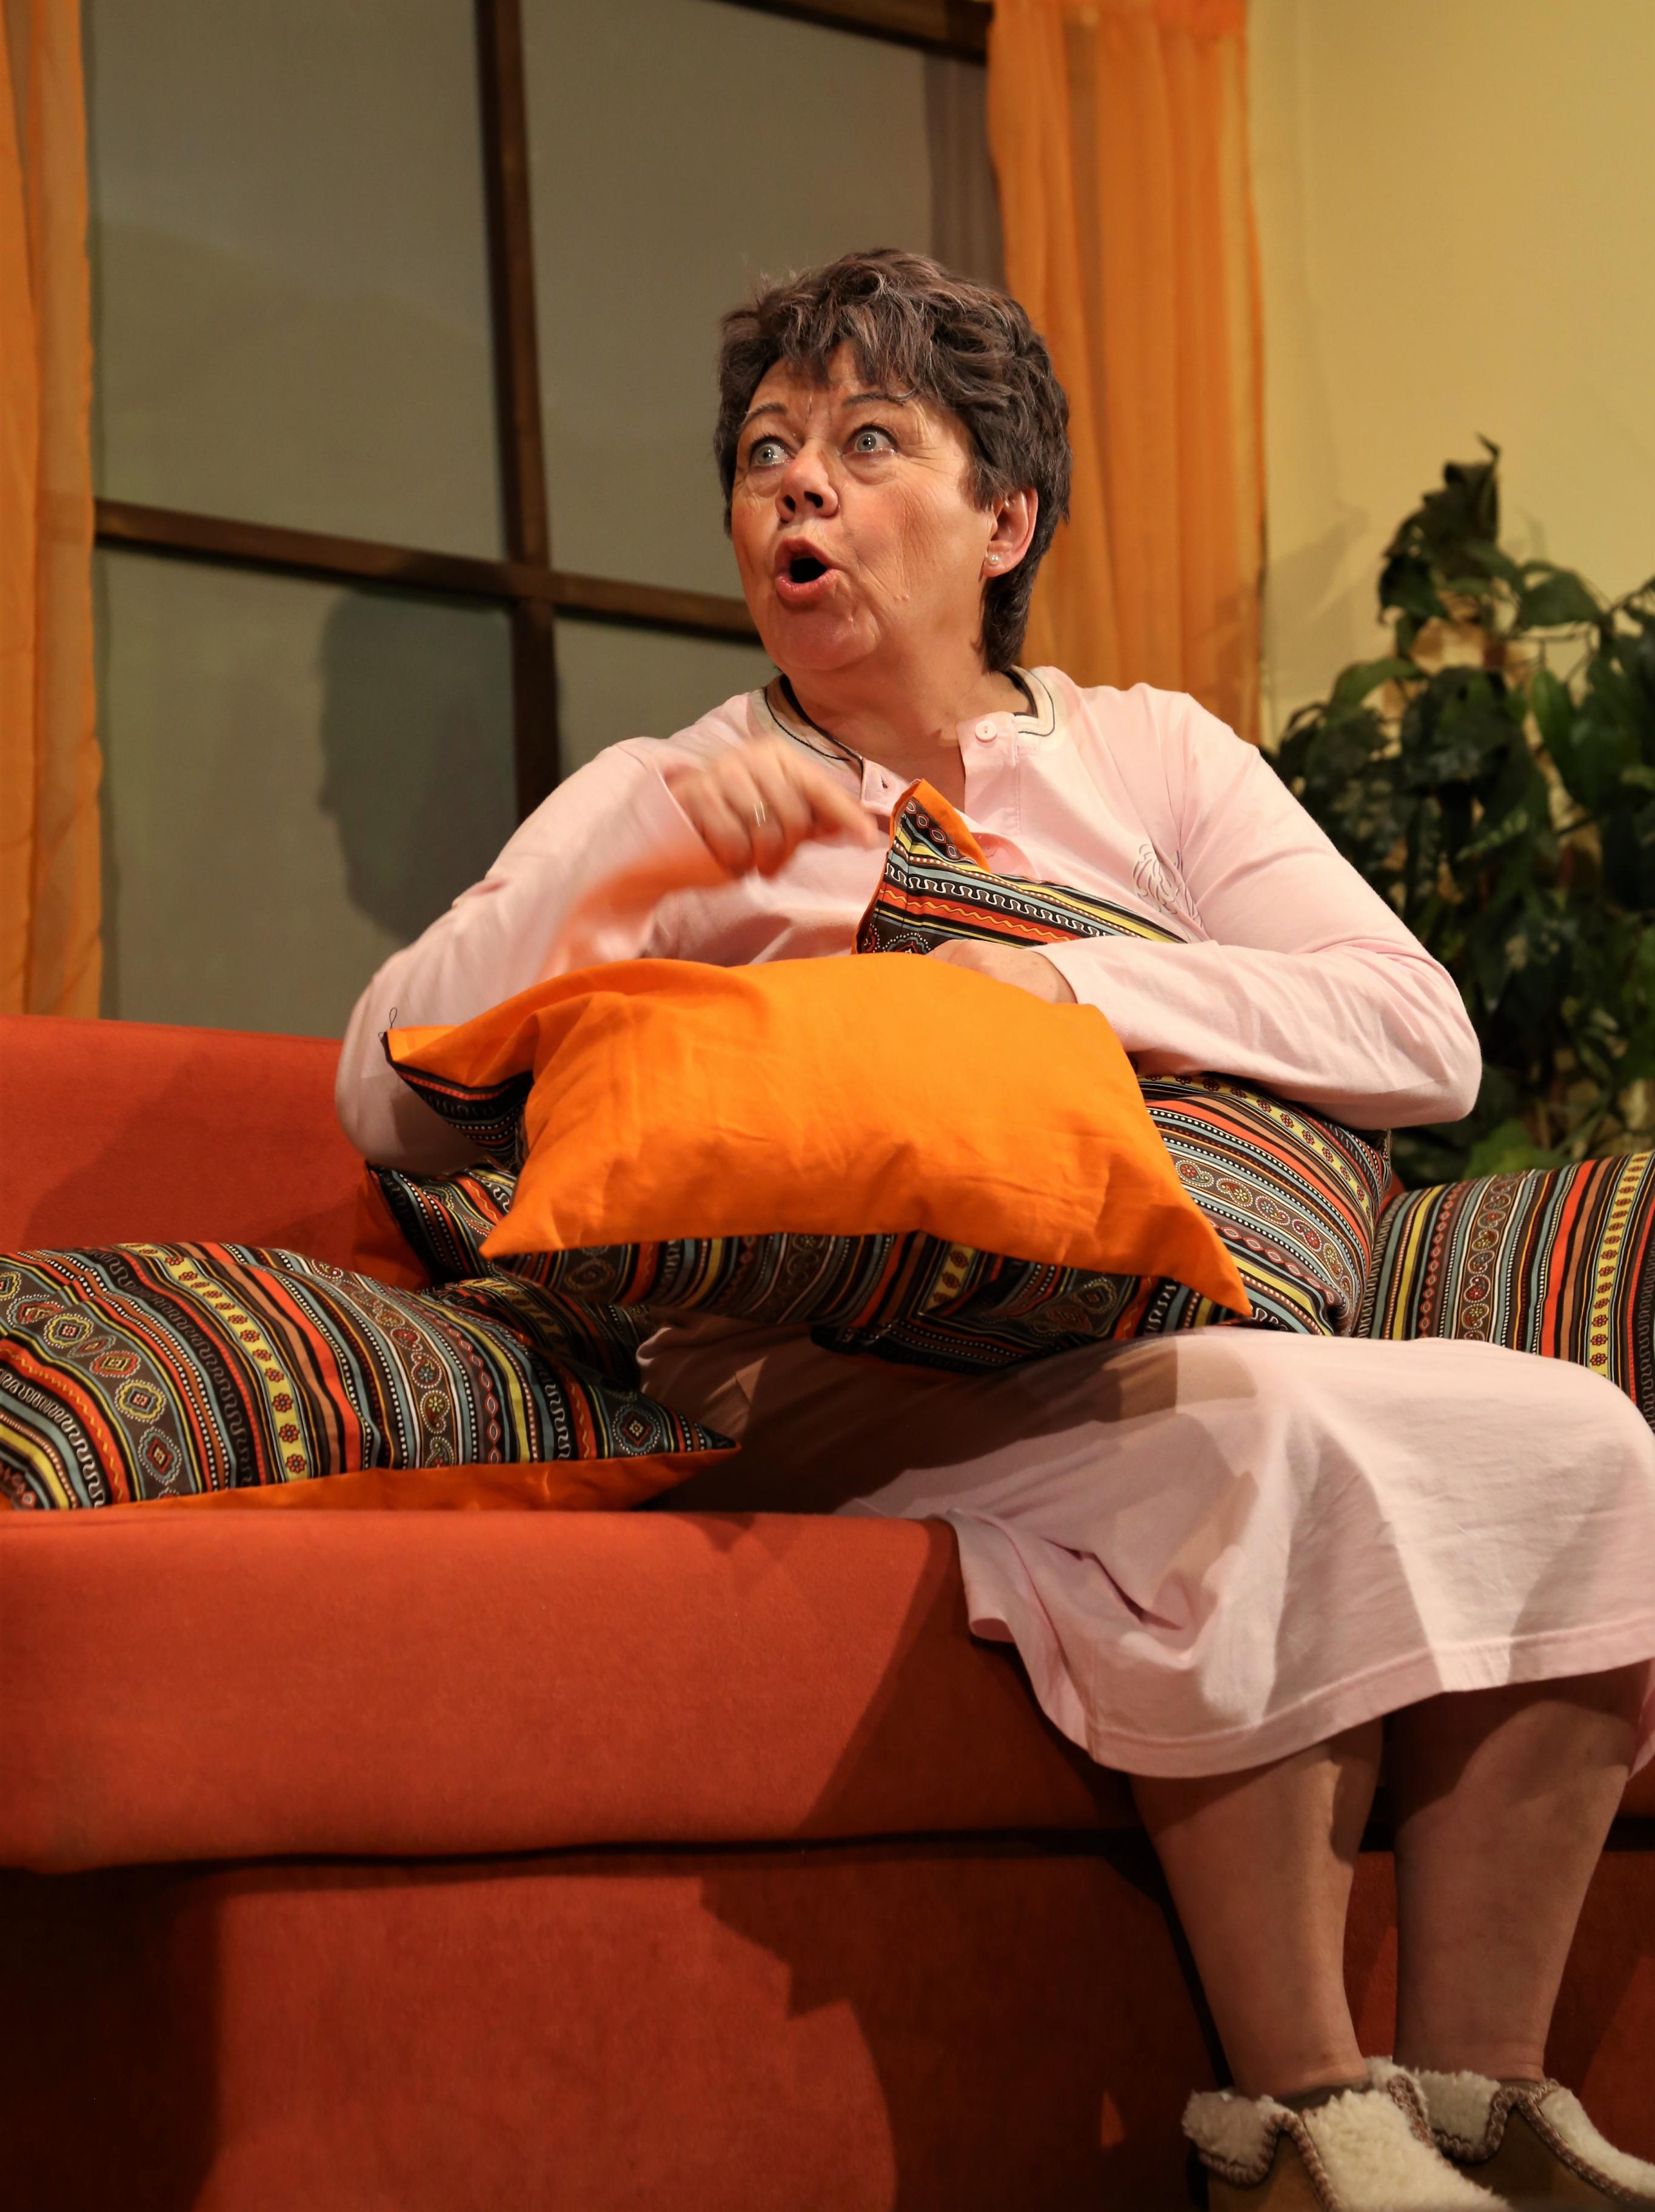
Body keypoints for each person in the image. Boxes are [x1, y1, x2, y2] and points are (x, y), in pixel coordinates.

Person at [338, 249, 1655, 2211]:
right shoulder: (680, 791)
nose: (799, 482)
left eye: (868, 440)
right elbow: (382, 1092)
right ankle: (1300, 2119)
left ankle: (1480, 2101)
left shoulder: (1148, 756)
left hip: (1141, 1317)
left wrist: (1061, 988)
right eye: (766, 450)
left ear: (1004, 520)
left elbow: (1415, 1034)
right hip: (830, 1375)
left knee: (1580, 1435)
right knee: (1258, 1420)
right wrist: (623, 871)